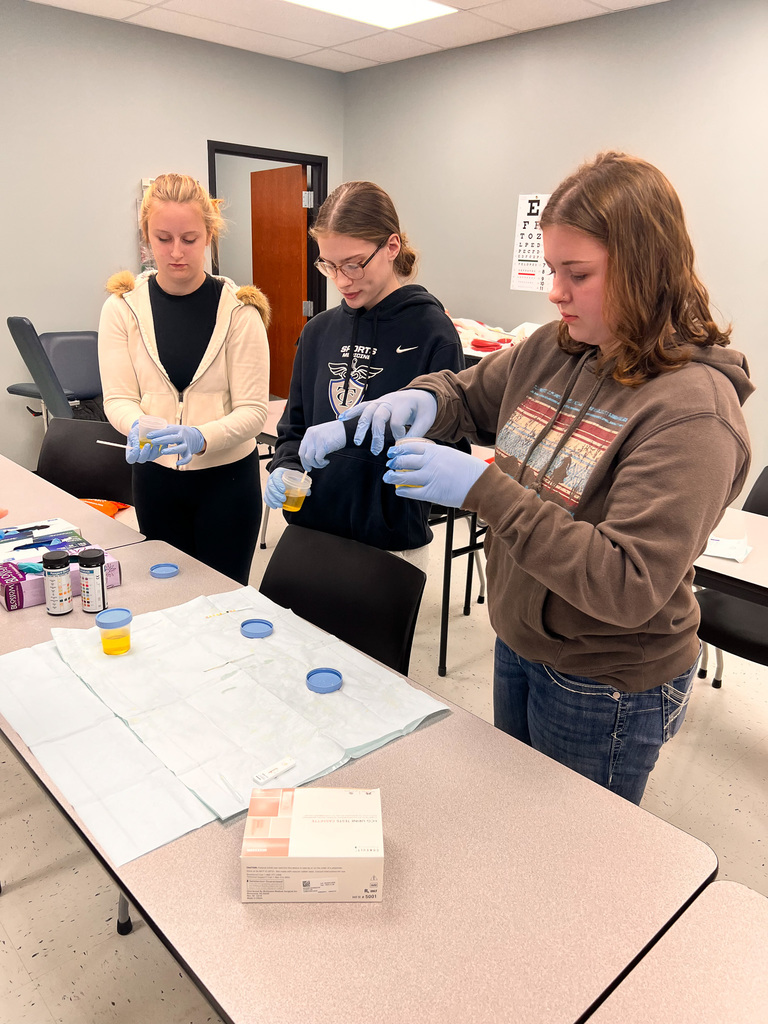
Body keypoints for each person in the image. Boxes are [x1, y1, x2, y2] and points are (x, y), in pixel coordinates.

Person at [338, 152, 753, 804]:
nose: (554, 292)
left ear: (647, 272)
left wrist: (482, 491)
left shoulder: (693, 412)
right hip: (523, 639)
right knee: (520, 822)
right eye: (552, 269)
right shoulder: (556, 346)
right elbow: (470, 395)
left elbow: (626, 583)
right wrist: (425, 400)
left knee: (572, 862)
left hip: (606, 681)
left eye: (577, 273)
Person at [264, 180, 465, 567]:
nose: (341, 280)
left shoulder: (432, 332)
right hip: (311, 532)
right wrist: (286, 466)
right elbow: (294, 430)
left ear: (392, 247)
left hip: (390, 545)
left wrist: (358, 441)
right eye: (329, 265)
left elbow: (449, 449)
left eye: (354, 263)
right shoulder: (318, 332)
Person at [98, 173, 270, 584]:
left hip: (227, 483)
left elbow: (254, 412)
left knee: (224, 604)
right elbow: (117, 398)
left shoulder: (240, 312)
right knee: (166, 599)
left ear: (209, 235)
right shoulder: (122, 309)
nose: (176, 252)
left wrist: (201, 436)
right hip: (156, 481)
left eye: (190, 239)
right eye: (163, 238)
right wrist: (134, 424)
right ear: (146, 237)